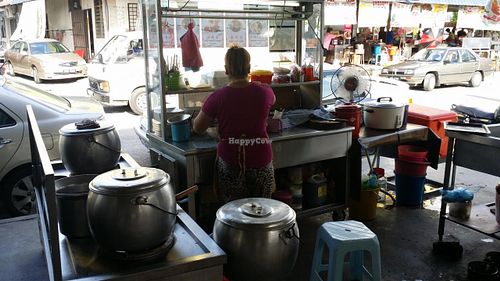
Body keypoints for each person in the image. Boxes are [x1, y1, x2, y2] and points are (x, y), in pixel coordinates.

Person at [193, 46, 276, 203]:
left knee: (235, 213)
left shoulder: (217, 97)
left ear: (226, 70)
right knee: (263, 211)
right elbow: (272, 101)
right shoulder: (265, 92)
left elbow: (198, 127)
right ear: (249, 68)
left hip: (231, 161)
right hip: (261, 158)